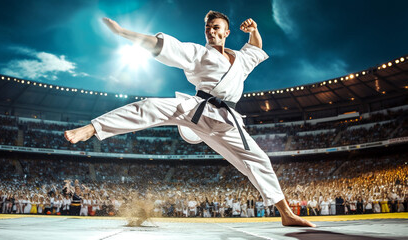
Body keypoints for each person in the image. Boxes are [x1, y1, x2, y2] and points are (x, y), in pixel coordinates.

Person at [65, 10, 315, 227]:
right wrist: (123, 33)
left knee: (259, 159)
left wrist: (254, 30)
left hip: (227, 119)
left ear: (226, 32)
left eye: (216, 28)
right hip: (196, 108)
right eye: (207, 28)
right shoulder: (197, 53)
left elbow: (256, 48)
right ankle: (93, 127)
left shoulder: (239, 59)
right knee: (152, 106)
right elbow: (159, 45)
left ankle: (286, 214)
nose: (210, 32)